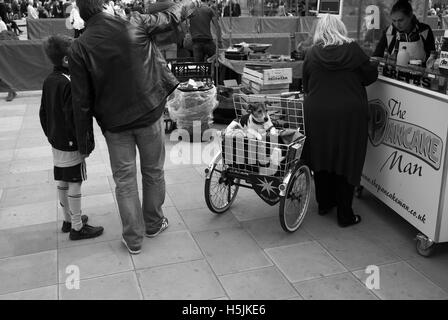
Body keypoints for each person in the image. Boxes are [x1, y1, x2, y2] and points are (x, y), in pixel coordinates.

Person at [69, 0, 200, 254]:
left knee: (125, 181)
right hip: (149, 113)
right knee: (153, 171)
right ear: (105, 6)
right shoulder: (134, 22)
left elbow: (81, 101)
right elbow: (171, 17)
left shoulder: (79, 48)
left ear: (83, 14)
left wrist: (83, 145)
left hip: (114, 124)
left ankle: (133, 238)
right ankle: (152, 223)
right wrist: (189, 3)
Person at [302, 14, 378, 228]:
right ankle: (345, 214)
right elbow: (370, 75)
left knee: (321, 155)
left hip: (317, 113)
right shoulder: (353, 49)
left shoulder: (312, 53)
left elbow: (306, 84)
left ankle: (325, 203)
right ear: (340, 28)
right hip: (349, 114)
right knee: (347, 158)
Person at [39, 35, 104, 240]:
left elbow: (43, 113)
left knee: (62, 178)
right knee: (75, 180)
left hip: (57, 141)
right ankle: (77, 227)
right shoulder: (69, 83)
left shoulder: (49, 80)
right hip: (70, 142)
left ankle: (68, 219)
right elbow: (75, 118)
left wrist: (51, 135)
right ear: (67, 61)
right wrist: (82, 144)